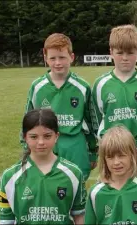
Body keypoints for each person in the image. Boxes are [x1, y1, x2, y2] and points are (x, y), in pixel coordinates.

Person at [92, 24, 137, 188]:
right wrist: (105, 141)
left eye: (130, 53)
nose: (125, 57)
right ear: (111, 52)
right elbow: (96, 117)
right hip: (112, 153)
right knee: (112, 193)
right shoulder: (101, 85)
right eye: (120, 53)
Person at [21, 33, 98, 181]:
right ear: (45, 59)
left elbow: (91, 122)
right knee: (47, 188)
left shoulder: (82, 87)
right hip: (46, 146)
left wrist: (93, 151)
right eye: (52, 58)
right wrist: (26, 149)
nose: (58, 62)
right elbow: (28, 120)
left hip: (74, 146)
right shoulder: (37, 87)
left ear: (71, 57)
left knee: (76, 188)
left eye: (62, 57)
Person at [0, 109, 85, 224]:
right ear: (25, 138)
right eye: (34, 137)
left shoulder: (74, 173)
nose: (41, 142)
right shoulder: (10, 177)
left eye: (47, 136)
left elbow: (79, 216)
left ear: (57, 136)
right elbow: (6, 221)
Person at [84, 126, 137, 224]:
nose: (116, 162)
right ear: (104, 159)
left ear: (134, 154)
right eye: (110, 157)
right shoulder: (96, 193)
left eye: (121, 155)